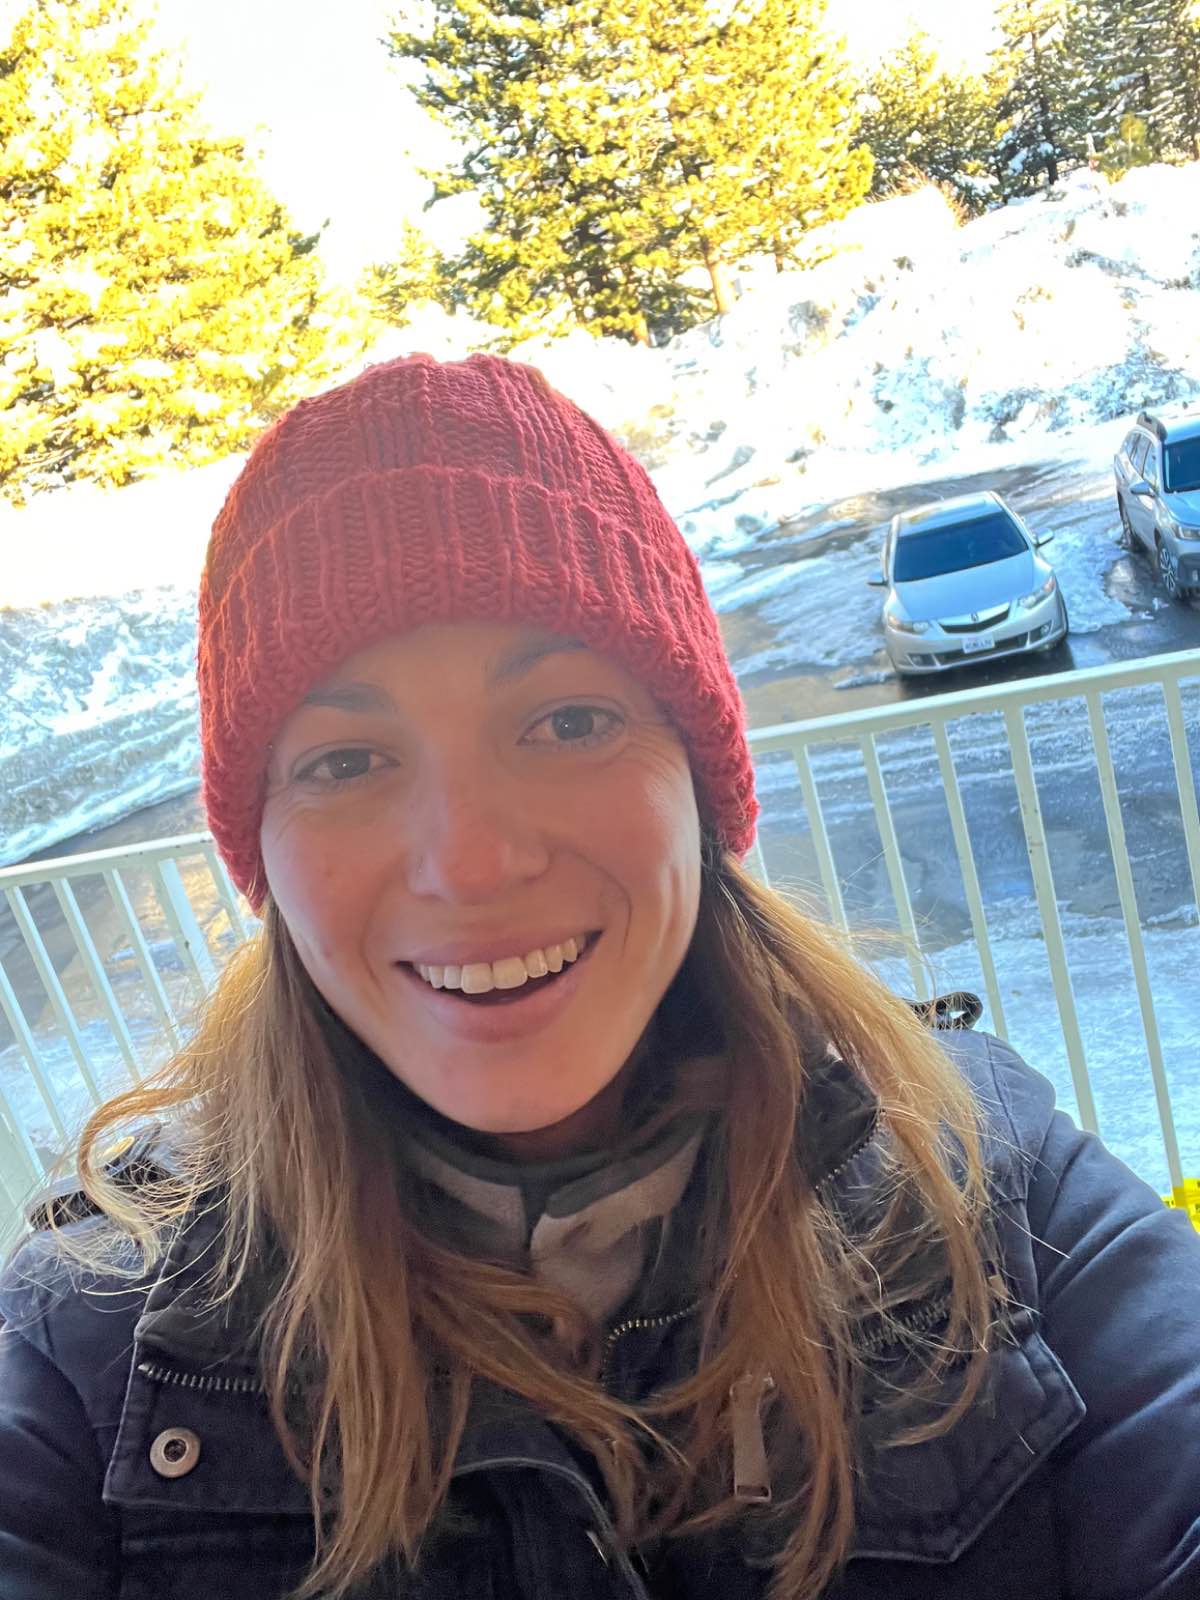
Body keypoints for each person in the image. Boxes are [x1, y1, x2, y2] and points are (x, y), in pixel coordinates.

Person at [1, 352, 1197, 1600]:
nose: (470, 862)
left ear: (699, 783)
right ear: (264, 854)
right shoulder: (92, 1349)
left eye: (567, 722)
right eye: (346, 761)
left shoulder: (987, 1183)